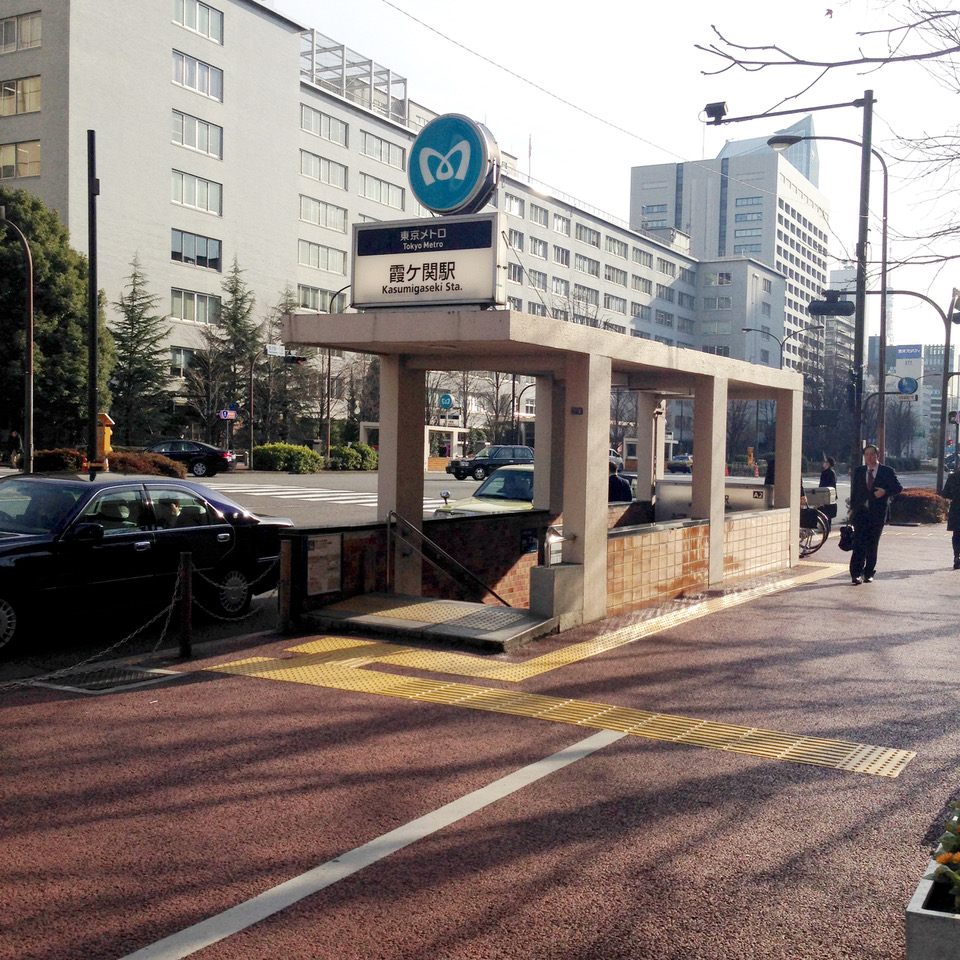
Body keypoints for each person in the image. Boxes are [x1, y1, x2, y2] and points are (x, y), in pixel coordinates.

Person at [848, 444, 902, 585]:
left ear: (877, 456)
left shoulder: (887, 471)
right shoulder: (859, 471)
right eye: (866, 455)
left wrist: (885, 492)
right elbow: (855, 492)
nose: (869, 457)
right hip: (860, 513)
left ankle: (868, 573)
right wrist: (852, 508)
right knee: (859, 543)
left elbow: (898, 488)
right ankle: (855, 574)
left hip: (877, 513)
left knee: (872, 544)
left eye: (871, 454)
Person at [941, 467, 960, 569]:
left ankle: (957, 556)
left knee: (957, 534)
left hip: (956, 508)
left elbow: (945, 493)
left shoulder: (953, 477)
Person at [818, 455, 838, 534]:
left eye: (825, 462)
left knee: (823, 511)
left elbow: (822, 485)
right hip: (831, 494)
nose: (824, 463)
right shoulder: (833, 472)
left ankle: (824, 527)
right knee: (828, 513)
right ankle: (827, 527)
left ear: (828, 463)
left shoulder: (825, 472)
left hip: (824, 494)